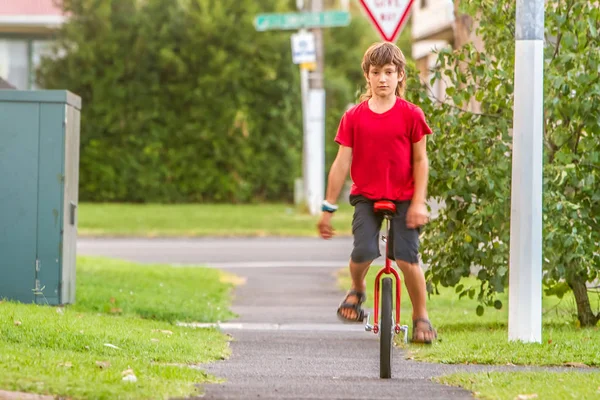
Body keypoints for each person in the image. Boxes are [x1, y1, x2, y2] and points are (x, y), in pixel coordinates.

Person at [317, 42, 437, 344]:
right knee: (362, 251)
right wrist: (328, 207)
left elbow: (421, 161)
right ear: (367, 77)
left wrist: (419, 202)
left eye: (388, 72)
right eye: (376, 72)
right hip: (367, 196)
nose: (382, 78)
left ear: (400, 76)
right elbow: (341, 163)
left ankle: (421, 315)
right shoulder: (354, 117)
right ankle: (356, 289)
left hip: (405, 197)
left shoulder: (411, 115)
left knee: (408, 258)